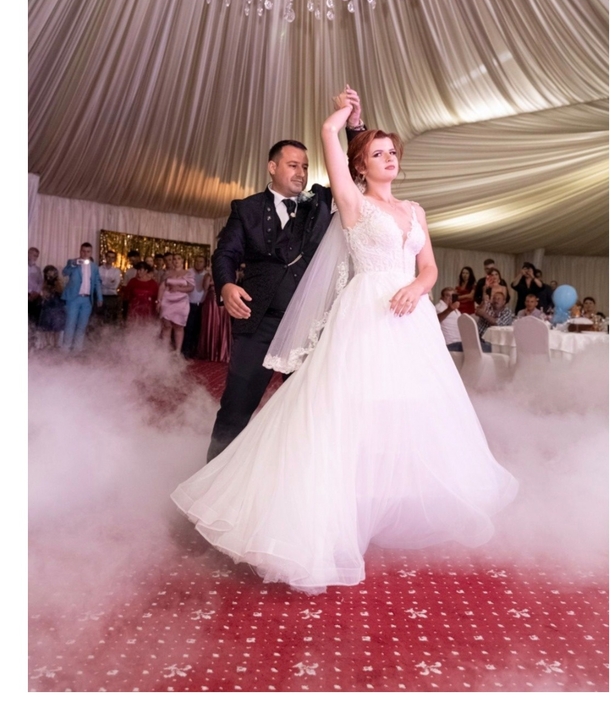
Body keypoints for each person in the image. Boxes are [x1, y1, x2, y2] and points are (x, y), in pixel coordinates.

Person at [172, 88, 518, 594]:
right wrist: (344, 116)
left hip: (411, 317)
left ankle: (378, 507)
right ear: (360, 167)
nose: (389, 158)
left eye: (393, 151)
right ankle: (280, 508)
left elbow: (428, 266)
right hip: (365, 313)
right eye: (378, 153)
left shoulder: (415, 209)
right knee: (332, 412)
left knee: (406, 411)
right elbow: (330, 137)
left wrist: (419, 288)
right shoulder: (352, 203)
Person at [205, 92, 366, 462]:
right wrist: (226, 284)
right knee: (236, 408)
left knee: (310, 412)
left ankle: (298, 482)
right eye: (293, 165)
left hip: (310, 327)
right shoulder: (245, 209)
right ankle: (211, 480)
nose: (301, 173)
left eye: (305, 167)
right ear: (272, 167)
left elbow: (357, 173)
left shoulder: (321, 202)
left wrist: (355, 125)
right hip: (258, 323)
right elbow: (225, 253)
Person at [61, 243, 103, 352]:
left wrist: (100, 297)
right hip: (73, 299)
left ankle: (77, 350)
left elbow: (97, 283)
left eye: (88, 251)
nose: (85, 253)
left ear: (91, 252)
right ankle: (65, 349)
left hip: (87, 300)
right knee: (70, 324)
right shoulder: (72, 262)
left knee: (82, 326)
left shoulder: (94, 267)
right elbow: (64, 272)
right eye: (83, 251)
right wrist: (74, 264)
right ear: (80, 251)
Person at [436, 286, 491, 352]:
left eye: (453, 296)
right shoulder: (439, 307)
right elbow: (437, 319)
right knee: (487, 347)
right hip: (450, 344)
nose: (450, 298)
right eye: (447, 295)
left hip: (460, 342)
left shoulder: (456, 310)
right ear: (442, 297)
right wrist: (449, 310)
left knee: (485, 345)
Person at [157, 254, 194, 352]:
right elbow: (162, 287)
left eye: (178, 258)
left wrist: (178, 288)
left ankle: (177, 351)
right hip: (167, 300)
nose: (176, 261)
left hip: (181, 302)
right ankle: (165, 350)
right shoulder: (167, 273)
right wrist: (159, 301)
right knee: (166, 326)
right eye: (174, 259)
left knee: (179, 326)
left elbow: (191, 287)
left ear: (182, 261)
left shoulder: (188, 273)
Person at [181, 255, 210, 359]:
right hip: (188, 304)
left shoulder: (207, 274)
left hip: (201, 305)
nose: (198, 263)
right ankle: (185, 351)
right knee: (188, 328)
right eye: (197, 261)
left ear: (204, 263)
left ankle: (194, 351)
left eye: (201, 261)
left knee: (198, 329)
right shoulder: (188, 272)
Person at [36, 265, 66, 348]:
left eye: (53, 273)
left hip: (58, 309)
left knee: (57, 328)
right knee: (47, 328)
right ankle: (48, 344)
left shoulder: (60, 284)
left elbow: (62, 297)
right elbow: (42, 297)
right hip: (47, 309)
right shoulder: (43, 284)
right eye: (49, 273)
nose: (51, 275)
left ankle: (56, 345)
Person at [98, 249, 122, 324]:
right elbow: (97, 283)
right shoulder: (99, 269)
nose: (110, 259)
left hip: (112, 297)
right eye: (108, 257)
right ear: (105, 257)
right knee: (99, 318)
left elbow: (115, 285)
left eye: (112, 257)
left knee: (111, 320)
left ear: (114, 259)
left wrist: (102, 282)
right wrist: (109, 282)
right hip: (100, 296)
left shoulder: (116, 271)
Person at [28, 247, 44, 330]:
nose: (35, 258)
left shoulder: (37, 269)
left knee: (39, 305)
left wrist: (36, 292)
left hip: (35, 295)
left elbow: (40, 282)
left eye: (37, 256)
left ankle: (34, 331)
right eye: (34, 255)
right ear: (28, 254)